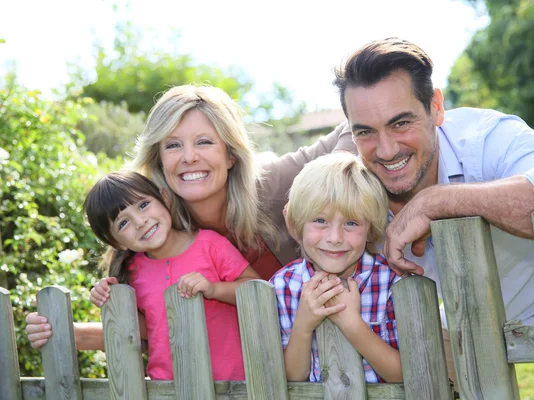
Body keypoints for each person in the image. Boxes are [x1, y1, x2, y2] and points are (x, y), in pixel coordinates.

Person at [25, 84, 354, 349]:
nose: (189, 157)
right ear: (158, 160)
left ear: (230, 154)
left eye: (205, 142)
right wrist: (70, 333)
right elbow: (157, 329)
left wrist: (329, 185)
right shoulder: (152, 233)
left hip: (328, 354)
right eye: (173, 146)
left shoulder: (275, 183)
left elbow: (354, 126)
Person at [332, 37, 534, 324]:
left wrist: (438, 201)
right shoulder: (354, 188)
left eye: (401, 124)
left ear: (436, 107)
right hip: (469, 331)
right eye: (365, 133)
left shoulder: (485, 138)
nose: (386, 150)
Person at [82, 171, 257, 380]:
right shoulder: (131, 272)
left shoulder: (210, 245)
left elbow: (257, 289)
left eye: (143, 205)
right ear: (116, 242)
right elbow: (148, 328)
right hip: (169, 386)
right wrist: (110, 299)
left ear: (164, 198)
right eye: (123, 223)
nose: (140, 221)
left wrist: (214, 289)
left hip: (233, 383)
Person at [270, 152, 403, 383]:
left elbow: (405, 375)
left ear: (370, 229)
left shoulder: (391, 282)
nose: (334, 237)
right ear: (294, 224)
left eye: (351, 223)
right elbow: (292, 380)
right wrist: (302, 325)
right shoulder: (283, 286)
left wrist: (351, 323)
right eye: (320, 220)